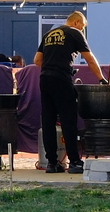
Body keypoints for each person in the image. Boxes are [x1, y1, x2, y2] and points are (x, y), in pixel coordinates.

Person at [34, 11, 104, 174]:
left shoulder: (49, 34)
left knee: (48, 121)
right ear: (77, 22)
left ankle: (52, 163)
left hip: (45, 79)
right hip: (62, 80)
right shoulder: (75, 33)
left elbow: (37, 60)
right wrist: (101, 78)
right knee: (68, 120)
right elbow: (90, 58)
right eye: (83, 27)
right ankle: (74, 162)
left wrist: (51, 66)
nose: (83, 30)